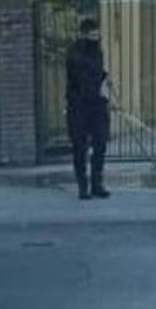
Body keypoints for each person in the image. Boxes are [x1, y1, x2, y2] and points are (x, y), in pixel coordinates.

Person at [65, 18, 111, 200]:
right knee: (80, 146)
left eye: (97, 34)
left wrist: (105, 79)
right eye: (92, 35)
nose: (96, 37)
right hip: (78, 105)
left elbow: (97, 74)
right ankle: (82, 185)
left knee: (100, 143)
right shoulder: (74, 53)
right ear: (83, 34)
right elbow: (81, 78)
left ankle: (97, 183)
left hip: (96, 105)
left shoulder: (98, 51)